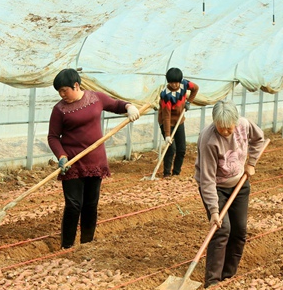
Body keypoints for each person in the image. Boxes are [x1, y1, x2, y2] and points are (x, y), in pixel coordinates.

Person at [48, 68, 141, 249]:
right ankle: (67, 245)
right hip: (72, 163)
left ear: (76, 85)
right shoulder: (59, 110)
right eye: (58, 91)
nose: (61, 94)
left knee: (90, 204)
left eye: (64, 90)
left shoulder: (95, 98)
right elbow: (53, 137)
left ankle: (86, 243)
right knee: (74, 205)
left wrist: (129, 107)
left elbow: (116, 105)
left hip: (94, 161)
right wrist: (61, 156)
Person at [195, 100, 266, 288]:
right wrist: (214, 211)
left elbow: (259, 139)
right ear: (214, 123)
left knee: (239, 230)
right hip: (216, 187)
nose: (226, 131)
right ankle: (212, 281)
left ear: (235, 121)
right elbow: (207, 179)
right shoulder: (208, 140)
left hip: (240, 184)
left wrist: (251, 163)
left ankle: (228, 275)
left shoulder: (244, 125)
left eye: (229, 128)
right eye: (221, 128)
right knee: (221, 228)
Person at [158, 67, 199, 178]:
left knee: (181, 149)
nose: (174, 85)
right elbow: (166, 117)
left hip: (179, 120)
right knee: (171, 148)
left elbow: (195, 88)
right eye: (172, 83)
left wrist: (189, 102)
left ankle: (176, 173)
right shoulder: (166, 96)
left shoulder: (184, 84)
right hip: (167, 122)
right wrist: (167, 135)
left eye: (176, 82)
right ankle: (167, 173)